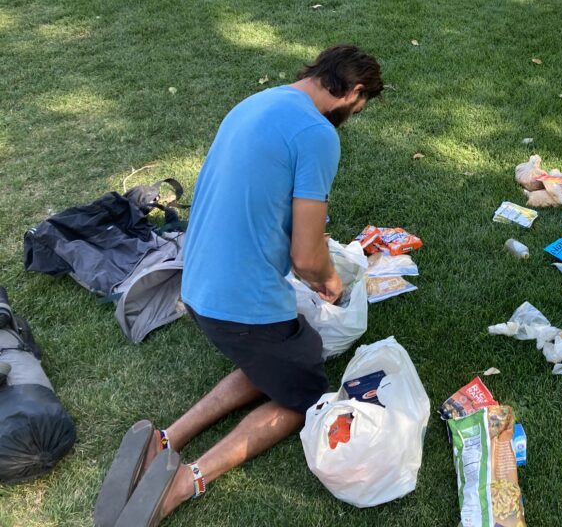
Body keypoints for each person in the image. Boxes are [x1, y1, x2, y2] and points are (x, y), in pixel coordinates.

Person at [93, 44, 383, 527]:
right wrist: (329, 281)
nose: (352, 115)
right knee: (304, 397)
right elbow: (307, 259)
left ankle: (165, 439)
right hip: (237, 305)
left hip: (196, 283)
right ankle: (186, 481)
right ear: (353, 92)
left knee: (281, 355)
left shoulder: (260, 102)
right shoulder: (318, 135)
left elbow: (257, 196)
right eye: (358, 106)